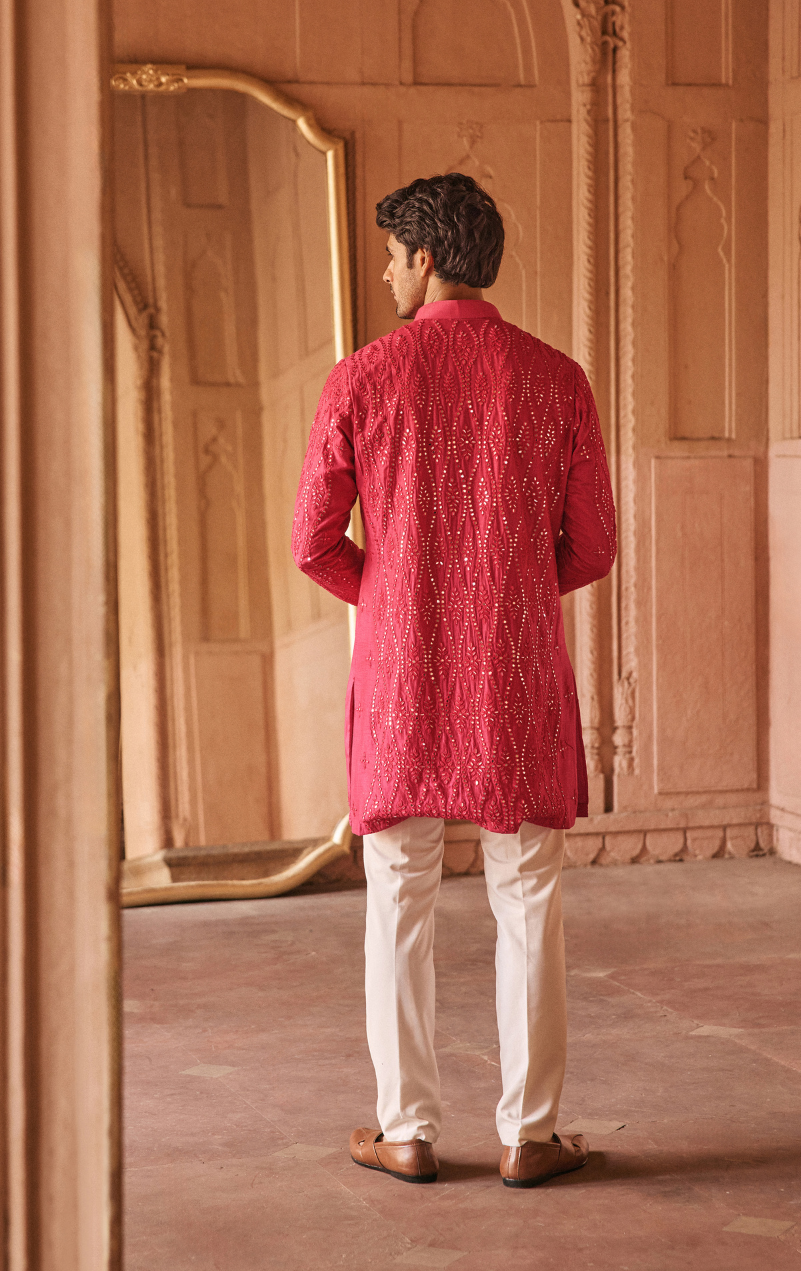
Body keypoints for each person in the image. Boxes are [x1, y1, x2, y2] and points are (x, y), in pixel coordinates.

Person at [291, 173, 617, 1189]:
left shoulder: (359, 380)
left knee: (399, 892)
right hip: (513, 674)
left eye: (392, 254)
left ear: (426, 257)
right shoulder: (556, 378)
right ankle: (530, 1133)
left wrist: (389, 597)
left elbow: (311, 544)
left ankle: (407, 1130)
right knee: (527, 892)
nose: (387, 271)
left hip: (400, 679)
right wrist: (510, 591)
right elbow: (594, 547)